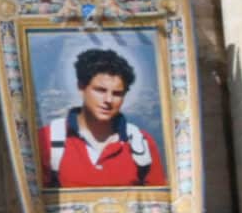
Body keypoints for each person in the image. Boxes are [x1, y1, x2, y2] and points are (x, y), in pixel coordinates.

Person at [38, 48, 165, 189]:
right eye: (100, 90)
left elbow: (157, 204)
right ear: (81, 87)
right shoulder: (47, 140)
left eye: (117, 93)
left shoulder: (142, 144)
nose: (108, 100)